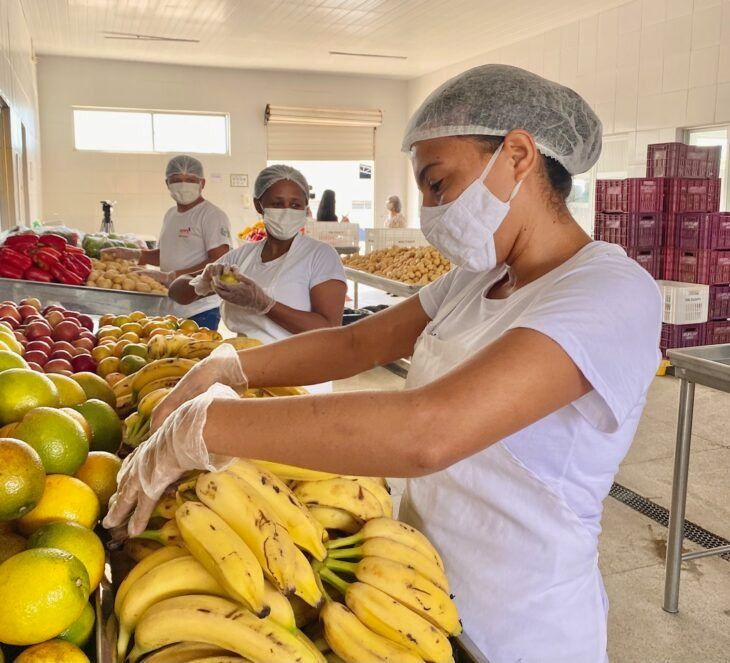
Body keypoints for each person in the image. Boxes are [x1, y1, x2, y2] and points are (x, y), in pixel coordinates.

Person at [105, 65, 662, 662]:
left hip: (521, 623)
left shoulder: (610, 292)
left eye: (438, 184)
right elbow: (353, 346)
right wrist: (228, 369)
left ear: (518, 155)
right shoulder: (476, 281)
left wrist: (208, 427)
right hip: (406, 586)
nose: (429, 208)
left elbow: (430, 429)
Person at [168, 164, 347, 347]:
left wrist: (265, 304)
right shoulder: (242, 258)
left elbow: (330, 329)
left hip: (300, 370)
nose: (286, 212)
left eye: (295, 205)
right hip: (246, 364)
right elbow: (175, 292)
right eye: (277, 204)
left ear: (305, 208)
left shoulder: (320, 256)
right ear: (258, 205)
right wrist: (203, 281)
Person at [100, 155, 232, 329]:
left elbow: (220, 261)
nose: (184, 185)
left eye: (190, 180)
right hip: (172, 303)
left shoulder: (212, 216)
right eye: (177, 180)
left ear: (202, 183)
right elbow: (167, 254)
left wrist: (172, 277)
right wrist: (136, 255)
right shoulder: (171, 215)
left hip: (200, 307)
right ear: (167, 184)